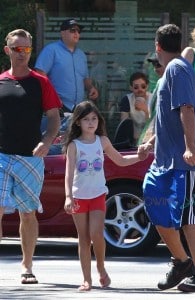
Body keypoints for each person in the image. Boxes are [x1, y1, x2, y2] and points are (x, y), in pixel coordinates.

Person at [140, 24, 195, 293]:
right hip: (164, 160)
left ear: (157, 45)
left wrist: (191, 146)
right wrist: (151, 141)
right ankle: (181, 261)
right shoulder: (169, 74)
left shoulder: (177, 68)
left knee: (187, 217)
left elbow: (189, 108)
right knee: (153, 199)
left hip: (186, 161)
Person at [63, 100, 149, 292]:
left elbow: (120, 160)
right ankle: (87, 279)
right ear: (78, 122)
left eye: (94, 118)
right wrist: (68, 197)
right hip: (79, 197)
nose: (91, 123)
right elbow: (69, 173)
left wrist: (139, 157)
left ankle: (101, 268)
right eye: (86, 119)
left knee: (96, 234)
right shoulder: (74, 145)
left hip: (98, 194)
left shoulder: (102, 141)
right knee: (83, 238)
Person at [0, 29, 61, 284]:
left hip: (30, 157)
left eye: (25, 49)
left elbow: (54, 118)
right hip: (1, 155)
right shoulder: (0, 81)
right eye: (16, 49)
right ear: (7, 50)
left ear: (30, 51)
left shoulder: (40, 82)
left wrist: (47, 142)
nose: (21, 54)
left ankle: (27, 266)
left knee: (27, 213)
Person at [35, 18, 98, 130]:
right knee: (56, 143)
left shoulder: (81, 55)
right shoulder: (51, 50)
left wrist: (91, 88)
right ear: (62, 33)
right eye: (73, 30)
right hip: (57, 107)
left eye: (78, 31)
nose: (76, 33)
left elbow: (85, 78)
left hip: (79, 109)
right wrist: (52, 96)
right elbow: (39, 74)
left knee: (74, 143)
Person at [137, 56, 165, 145]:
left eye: (158, 65)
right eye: (154, 65)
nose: (155, 68)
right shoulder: (160, 82)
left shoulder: (168, 82)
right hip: (155, 136)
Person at [119, 72, 152, 144]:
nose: (140, 90)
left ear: (147, 86)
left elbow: (154, 124)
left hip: (151, 140)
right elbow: (124, 123)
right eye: (136, 87)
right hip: (133, 140)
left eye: (143, 86)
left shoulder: (153, 99)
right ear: (131, 88)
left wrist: (146, 110)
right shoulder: (127, 99)